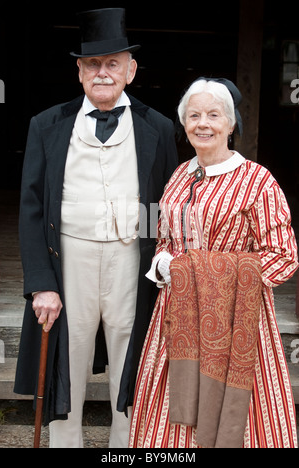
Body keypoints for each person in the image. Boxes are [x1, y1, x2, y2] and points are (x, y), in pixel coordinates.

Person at [14, 8, 178, 448]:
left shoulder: (159, 127)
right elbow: (31, 208)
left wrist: (155, 254)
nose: (102, 73)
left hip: (131, 258)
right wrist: (41, 283)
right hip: (69, 256)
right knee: (68, 359)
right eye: (92, 64)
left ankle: (125, 449)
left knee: (133, 358)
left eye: (113, 63)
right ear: (79, 71)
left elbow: (164, 201)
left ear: (131, 70)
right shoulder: (47, 125)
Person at [129, 78, 299, 448]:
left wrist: (214, 275)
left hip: (238, 319)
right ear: (184, 123)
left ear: (231, 123)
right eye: (193, 115)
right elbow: (165, 238)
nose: (202, 123)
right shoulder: (179, 175)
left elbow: (284, 256)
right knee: (166, 415)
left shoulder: (258, 181)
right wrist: (163, 264)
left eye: (213, 114)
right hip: (179, 316)